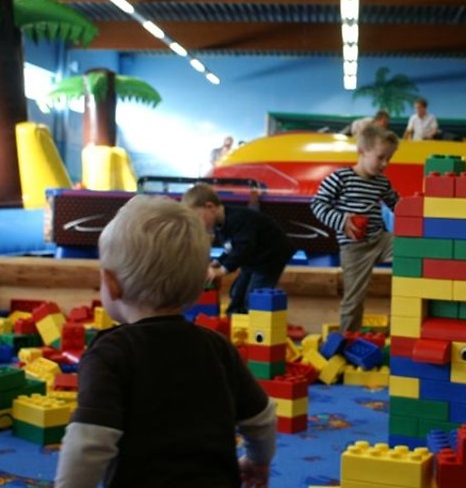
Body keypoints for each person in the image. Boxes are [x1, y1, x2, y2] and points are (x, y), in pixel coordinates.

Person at [55, 195, 276, 488]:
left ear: (111, 283)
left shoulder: (109, 354)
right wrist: (258, 460)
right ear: (199, 286)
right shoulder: (217, 346)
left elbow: (88, 443)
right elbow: (261, 418)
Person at [310, 125, 400, 333]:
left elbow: (397, 204)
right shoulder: (341, 177)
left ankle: (408, 313)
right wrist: (341, 221)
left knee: (411, 247)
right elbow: (318, 204)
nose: (385, 164)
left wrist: (419, 213)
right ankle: (348, 336)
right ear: (362, 152)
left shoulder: (382, 182)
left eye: (389, 158)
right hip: (354, 248)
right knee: (354, 299)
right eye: (380, 157)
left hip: (379, 240)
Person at [182, 183, 295, 315]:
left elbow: (244, 248)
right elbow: (231, 248)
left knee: (253, 297)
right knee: (236, 292)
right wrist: (218, 262)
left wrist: (223, 270)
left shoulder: (237, 219)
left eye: (197, 217)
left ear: (210, 207)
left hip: (270, 257)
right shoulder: (220, 225)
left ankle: (250, 317)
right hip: (252, 258)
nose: (198, 224)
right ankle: (234, 314)